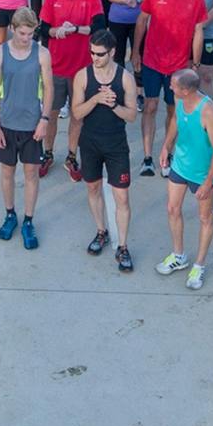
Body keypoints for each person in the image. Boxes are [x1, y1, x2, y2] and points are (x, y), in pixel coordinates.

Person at [131, 0, 208, 178]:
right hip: (153, 60)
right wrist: (135, 51)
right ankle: (147, 158)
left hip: (178, 65)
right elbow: (141, 21)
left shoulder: (197, 0)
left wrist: (195, 63)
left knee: (174, 110)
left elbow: (198, 32)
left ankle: (167, 153)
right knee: (150, 106)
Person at [72, 28, 137, 272]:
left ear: (112, 52)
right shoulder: (83, 76)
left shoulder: (125, 78)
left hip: (116, 145)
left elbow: (131, 116)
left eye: (99, 54)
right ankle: (101, 231)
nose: (94, 58)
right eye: (91, 53)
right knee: (93, 187)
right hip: (90, 142)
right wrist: (96, 100)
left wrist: (113, 104)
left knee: (122, 196)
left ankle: (123, 246)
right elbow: (77, 114)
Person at [0, 7, 50, 251]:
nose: (27, 38)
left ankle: (28, 221)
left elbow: (48, 87)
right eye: (23, 33)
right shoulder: (0, 54)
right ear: (13, 29)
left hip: (32, 125)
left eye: (31, 34)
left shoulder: (42, 53)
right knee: (7, 172)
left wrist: (44, 119)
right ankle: (10, 215)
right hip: (7, 123)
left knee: (31, 174)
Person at [38, 0, 104, 178]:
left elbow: (98, 29)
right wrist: (55, 32)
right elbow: (43, 29)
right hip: (56, 67)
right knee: (52, 113)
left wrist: (75, 29)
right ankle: (47, 153)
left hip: (81, 70)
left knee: (78, 116)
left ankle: (71, 156)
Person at [158, 68, 213, 290]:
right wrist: (167, 146)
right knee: (172, 209)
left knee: (205, 218)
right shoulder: (179, 99)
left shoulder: (208, 111)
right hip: (180, 166)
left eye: (174, 85)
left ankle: (199, 265)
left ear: (186, 90)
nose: (170, 87)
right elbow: (176, 121)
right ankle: (179, 255)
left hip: (201, 174)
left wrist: (208, 183)